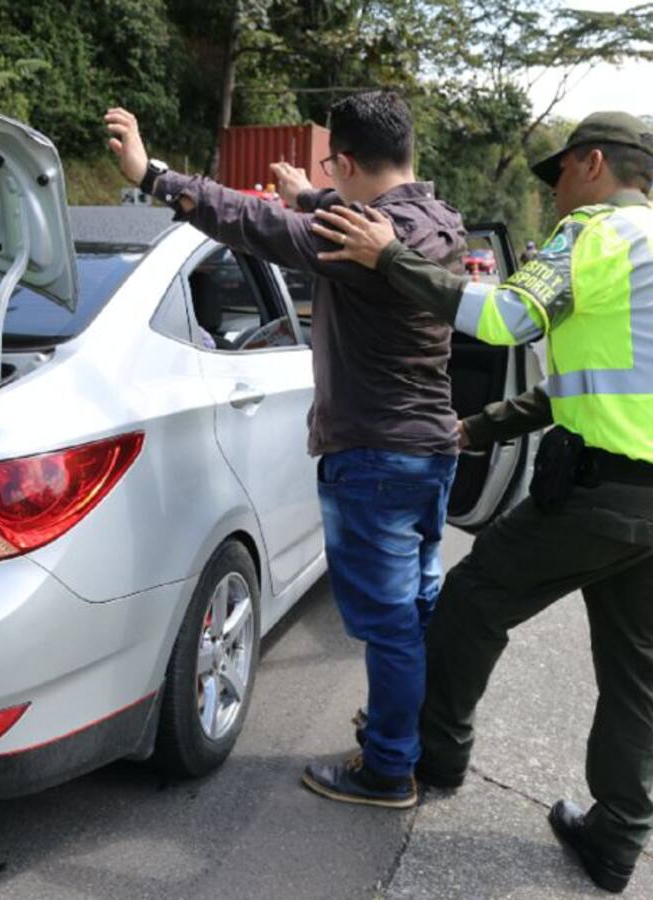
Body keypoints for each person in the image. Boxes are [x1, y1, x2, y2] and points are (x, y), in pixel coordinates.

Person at [309, 111, 653, 894]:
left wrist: (389, 256)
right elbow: (589, 382)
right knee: (637, 675)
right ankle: (617, 838)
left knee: (468, 603)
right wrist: (481, 425)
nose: (555, 193)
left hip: (597, 493)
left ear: (593, 163)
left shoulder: (595, 235)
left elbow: (502, 319)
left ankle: (435, 755)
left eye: (559, 173)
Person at [105, 92, 466, 809]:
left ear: (348, 163)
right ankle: (413, 736)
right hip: (432, 449)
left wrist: (153, 176)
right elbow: (327, 212)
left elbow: (249, 221)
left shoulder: (356, 239)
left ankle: (388, 769)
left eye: (334, 170)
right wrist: (311, 194)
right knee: (417, 611)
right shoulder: (438, 220)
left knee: (390, 627)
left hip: (375, 454)